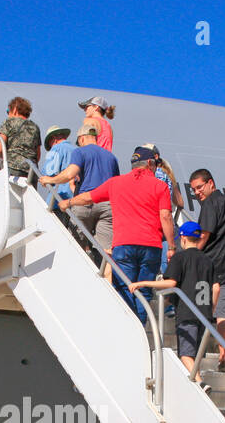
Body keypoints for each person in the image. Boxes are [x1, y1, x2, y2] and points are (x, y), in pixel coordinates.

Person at [63, 147, 174, 325]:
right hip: (151, 246)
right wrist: (172, 247)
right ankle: (140, 335)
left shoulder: (116, 183)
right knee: (144, 292)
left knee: (123, 289)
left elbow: (87, 198)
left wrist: (68, 202)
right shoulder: (160, 186)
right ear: (149, 164)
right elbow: (166, 216)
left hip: (124, 246)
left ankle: (128, 330)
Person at [131, 220, 216, 375]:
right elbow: (216, 288)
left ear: (183, 238)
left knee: (185, 355)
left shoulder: (180, 258)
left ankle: (200, 384)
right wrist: (212, 309)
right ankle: (197, 384)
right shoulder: (208, 260)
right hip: (205, 314)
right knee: (195, 355)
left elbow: (171, 283)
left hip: (187, 313)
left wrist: (143, 283)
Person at [188, 170, 225, 366]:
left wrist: (192, 253)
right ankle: (224, 353)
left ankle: (207, 351)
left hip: (213, 269)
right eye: (193, 189)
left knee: (205, 309)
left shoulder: (210, 204)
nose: (197, 192)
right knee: (223, 312)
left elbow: (204, 234)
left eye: (199, 187)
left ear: (210, 183)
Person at [40, 124, 118, 255]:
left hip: (85, 203)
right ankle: (105, 275)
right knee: (106, 254)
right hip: (107, 206)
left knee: (76, 249)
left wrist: (50, 180)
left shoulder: (80, 152)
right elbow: (116, 184)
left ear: (82, 139)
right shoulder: (111, 157)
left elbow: (70, 174)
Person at [0, 96, 41, 177]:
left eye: (8, 111)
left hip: (12, 169)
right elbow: (38, 155)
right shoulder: (35, 127)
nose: (8, 115)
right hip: (31, 171)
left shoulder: (9, 122)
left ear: (14, 109)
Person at [40, 126, 74, 201]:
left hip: (59, 196)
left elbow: (48, 172)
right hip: (75, 196)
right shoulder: (76, 150)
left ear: (54, 139)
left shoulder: (56, 148)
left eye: (50, 143)